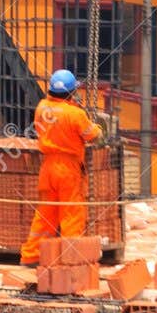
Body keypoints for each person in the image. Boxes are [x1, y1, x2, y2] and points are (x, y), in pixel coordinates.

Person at [19, 69, 102, 267]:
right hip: (68, 168)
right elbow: (92, 135)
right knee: (71, 213)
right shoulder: (75, 114)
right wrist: (98, 127)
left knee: (46, 213)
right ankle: (70, 259)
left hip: (47, 167)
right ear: (72, 92)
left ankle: (31, 256)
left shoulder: (42, 108)